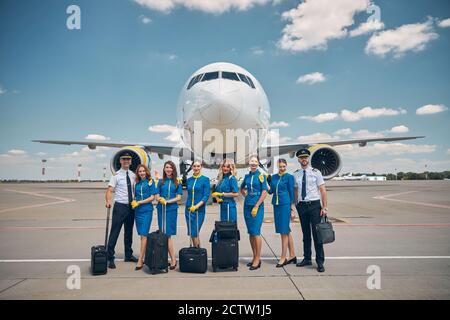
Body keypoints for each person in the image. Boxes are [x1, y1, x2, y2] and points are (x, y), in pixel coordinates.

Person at [293, 148, 328, 273]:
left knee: (317, 234)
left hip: (314, 205)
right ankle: (307, 258)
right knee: (305, 235)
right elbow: (295, 191)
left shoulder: (316, 172)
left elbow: (323, 190)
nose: (304, 159)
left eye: (305, 157)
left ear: (308, 158)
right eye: (301, 157)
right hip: (302, 206)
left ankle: (319, 262)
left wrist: (324, 207)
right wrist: (295, 206)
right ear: (298, 159)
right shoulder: (295, 174)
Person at [105, 152, 138, 269]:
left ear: (130, 161)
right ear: (120, 161)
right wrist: (108, 201)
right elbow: (109, 190)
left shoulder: (134, 175)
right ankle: (110, 257)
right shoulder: (116, 175)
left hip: (131, 207)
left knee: (129, 232)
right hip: (120, 206)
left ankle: (128, 255)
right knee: (115, 232)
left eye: (128, 160)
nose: (126, 161)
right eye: (124, 159)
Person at [267, 158, 297, 268]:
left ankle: (283, 257)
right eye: (280, 166)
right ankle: (292, 255)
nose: (282, 168)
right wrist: (267, 181)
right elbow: (270, 191)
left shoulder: (289, 177)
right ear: (277, 167)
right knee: (285, 230)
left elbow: (291, 193)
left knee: (283, 232)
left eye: (284, 166)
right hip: (276, 205)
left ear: (286, 166)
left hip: (285, 205)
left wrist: (291, 209)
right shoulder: (274, 177)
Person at [240, 155, 268, 270]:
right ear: (249, 163)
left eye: (255, 162)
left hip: (257, 206)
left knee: (256, 232)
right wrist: (246, 196)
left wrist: (256, 205)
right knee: (251, 232)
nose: (253, 163)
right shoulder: (247, 176)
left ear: (258, 164)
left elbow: (264, 192)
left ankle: (258, 258)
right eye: (252, 161)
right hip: (247, 205)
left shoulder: (261, 176)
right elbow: (241, 188)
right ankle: (254, 256)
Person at [156, 160, 183, 270]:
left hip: (171, 209)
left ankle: (173, 259)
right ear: (164, 169)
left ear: (173, 169)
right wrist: (160, 199)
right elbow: (157, 196)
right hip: (161, 209)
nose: (168, 169)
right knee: (162, 234)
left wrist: (168, 201)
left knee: (168, 235)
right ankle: (164, 259)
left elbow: (179, 197)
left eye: (170, 167)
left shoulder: (177, 182)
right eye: (167, 167)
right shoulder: (160, 182)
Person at [131, 164, 157, 270]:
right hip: (138, 212)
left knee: (143, 235)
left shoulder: (150, 182)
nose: (142, 173)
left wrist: (139, 202)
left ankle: (140, 259)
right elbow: (134, 195)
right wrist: (134, 202)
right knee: (141, 235)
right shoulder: (136, 183)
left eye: (143, 171)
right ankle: (144, 256)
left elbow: (152, 197)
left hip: (146, 211)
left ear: (146, 172)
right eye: (139, 171)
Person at [185, 160, 210, 248]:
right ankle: (198, 252)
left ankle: (197, 252)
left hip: (199, 210)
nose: (196, 168)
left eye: (198, 166)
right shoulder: (189, 180)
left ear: (201, 167)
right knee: (192, 232)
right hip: (188, 210)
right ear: (192, 167)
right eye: (194, 166)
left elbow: (206, 196)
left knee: (195, 232)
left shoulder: (205, 180)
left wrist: (196, 206)